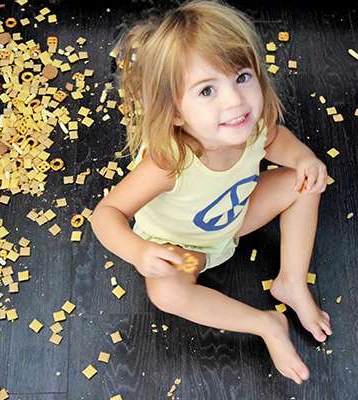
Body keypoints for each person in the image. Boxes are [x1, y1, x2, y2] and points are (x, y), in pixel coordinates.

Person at [90, 0, 332, 384]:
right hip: (187, 251)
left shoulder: (252, 123)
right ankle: (265, 324)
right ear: (175, 113)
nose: (234, 100)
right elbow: (106, 214)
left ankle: (291, 281)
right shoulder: (169, 160)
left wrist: (304, 158)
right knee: (166, 294)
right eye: (207, 91)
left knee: (307, 184)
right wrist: (140, 252)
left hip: (235, 220)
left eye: (242, 77)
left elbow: (277, 139)